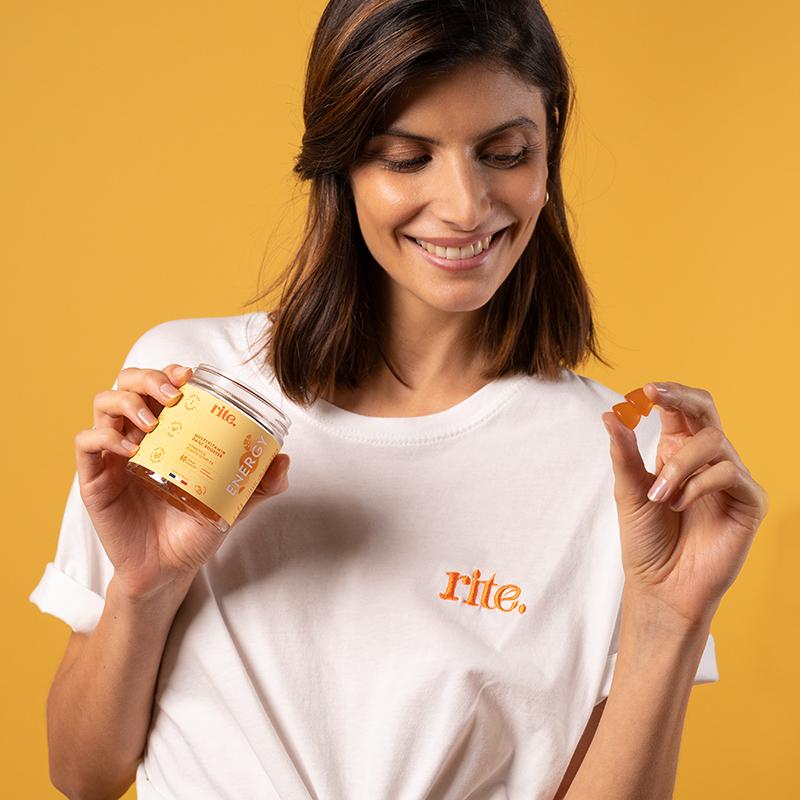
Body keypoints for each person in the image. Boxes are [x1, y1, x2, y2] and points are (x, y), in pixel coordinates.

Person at [30, 1, 768, 798]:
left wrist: (671, 618)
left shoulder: (628, 461)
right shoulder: (197, 395)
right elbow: (84, 775)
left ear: (549, 148)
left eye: (505, 152)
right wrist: (143, 586)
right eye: (406, 158)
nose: (464, 204)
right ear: (340, 163)